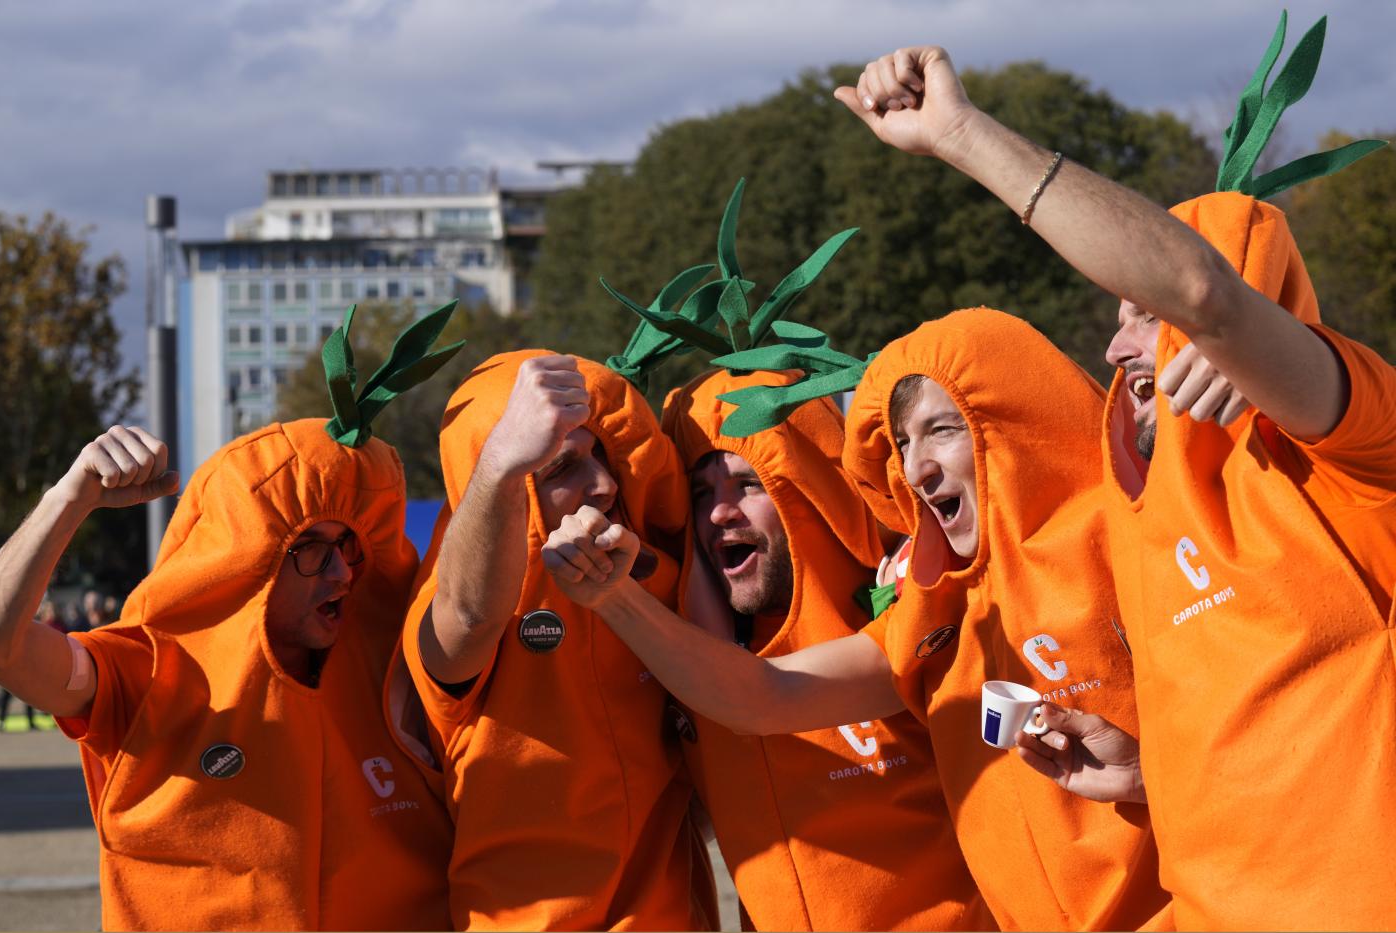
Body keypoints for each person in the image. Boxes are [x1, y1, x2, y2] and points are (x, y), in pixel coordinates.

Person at [841, 19, 1395, 928]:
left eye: (1141, 312)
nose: (1115, 342)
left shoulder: (1351, 443)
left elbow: (1206, 295)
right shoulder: (1146, 511)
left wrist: (959, 135)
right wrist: (1147, 773)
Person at [544, 310, 1171, 930]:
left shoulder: (1137, 551)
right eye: (902, 442)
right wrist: (614, 597)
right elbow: (763, 697)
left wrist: (1150, 778)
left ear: (1022, 418)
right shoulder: (928, 615)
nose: (916, 469)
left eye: (944, 429)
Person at [0, 309, 458, 931]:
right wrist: (68, 498)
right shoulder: (148, 671)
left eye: (349, 546)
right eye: (311, 548)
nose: (342, 573)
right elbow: (3, 642)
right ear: (248, 562)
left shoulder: (401, 670)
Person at [654, 366, 991, 932]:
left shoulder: (909, 613)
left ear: (810, 490)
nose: (720, 513)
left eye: (748, 484)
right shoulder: (691, 663)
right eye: (701, 492)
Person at [402, 349, 713, 932]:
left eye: (602, 456)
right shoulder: (454, 597)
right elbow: (465, 621)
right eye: (559, 469)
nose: (601, 484)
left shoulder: (661, 572)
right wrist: (499, 462)